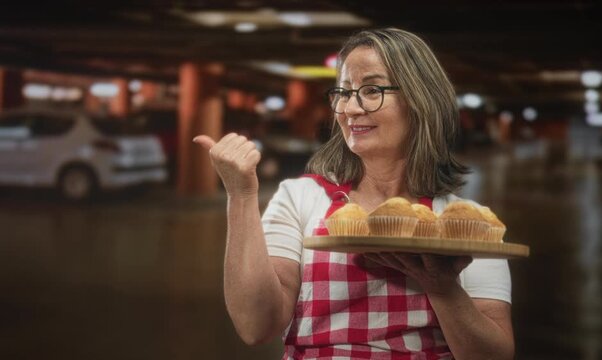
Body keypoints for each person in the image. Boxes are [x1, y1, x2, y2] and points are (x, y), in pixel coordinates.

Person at [194, 28, 514, 360]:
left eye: (371, 90)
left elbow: (494, 356)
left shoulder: (465, 224)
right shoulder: (301, 198)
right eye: (344, 92)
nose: (350, 108)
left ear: (422, 99)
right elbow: (256, 325)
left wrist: (443, 288)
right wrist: (242, 194)